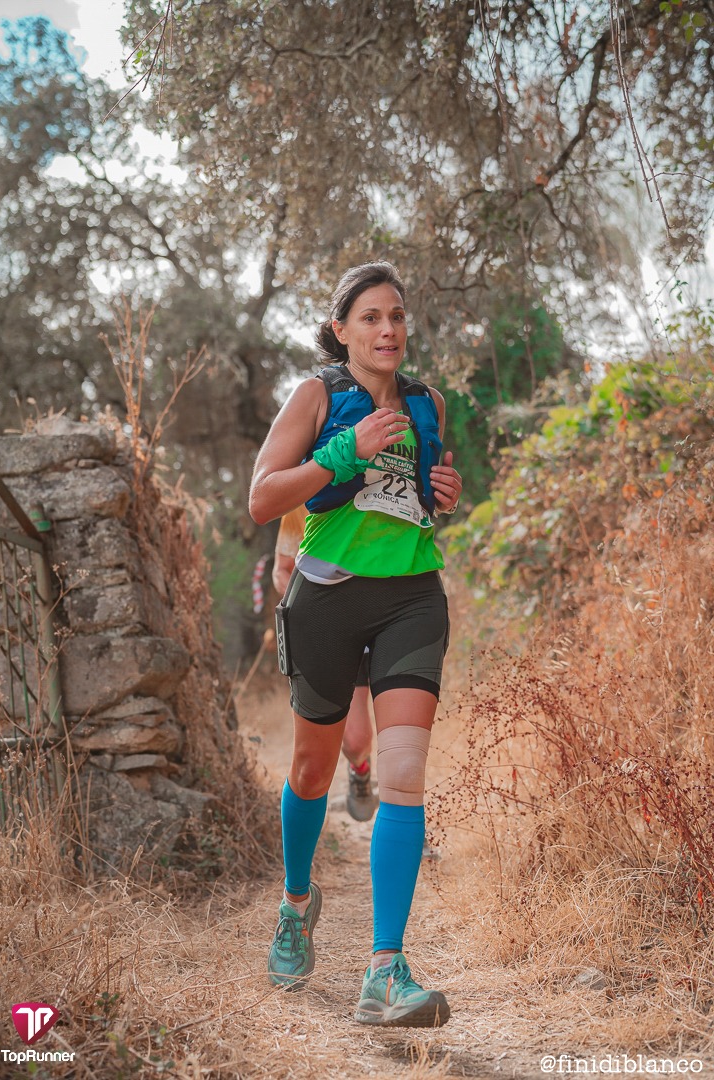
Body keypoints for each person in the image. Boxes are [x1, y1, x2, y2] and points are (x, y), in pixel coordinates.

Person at [249, 261, 462, 1027]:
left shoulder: (427, 403)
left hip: (412, 596)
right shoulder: (317, 396)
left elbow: (418, 497)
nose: (388, 329)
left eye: (397, 315)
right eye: (371, 317)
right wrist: (342, 453)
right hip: (327, 600)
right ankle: (295, 905)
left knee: (402, 774)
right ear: (341, 329)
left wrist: (444, 494)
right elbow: (262, 496)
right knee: (313, 770)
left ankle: (386, 969)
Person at [273, 505, 378, 822]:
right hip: (331, 626)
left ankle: (404, 810)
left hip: (386, 614)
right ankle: (360, 768)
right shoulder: (299, 502)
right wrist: (304, 601)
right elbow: (282, 568)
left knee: (393, 735)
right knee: (355, 742)